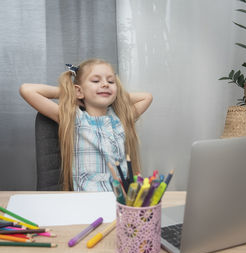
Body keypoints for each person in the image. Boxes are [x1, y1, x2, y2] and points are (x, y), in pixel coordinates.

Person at [19, 58, 153, 191]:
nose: (105, 84)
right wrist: (71, 93)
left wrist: (118, 95)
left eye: (110, 81)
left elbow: (147, 97)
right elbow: (27, 90)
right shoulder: (74, 118)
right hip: (88, 200)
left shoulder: (120, 119)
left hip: (121, 201)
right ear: (79, 91)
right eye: (96, 81)